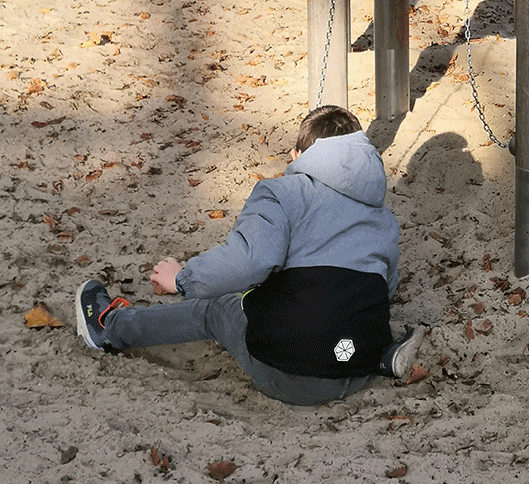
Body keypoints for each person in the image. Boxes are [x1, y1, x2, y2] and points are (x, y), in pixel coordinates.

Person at [75, 105, 424, 406]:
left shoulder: (282, 191)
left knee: (218, 306)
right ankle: (381, 356)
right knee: (347, 305)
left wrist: (182, 278)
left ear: (297, 156)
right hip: (355, 369)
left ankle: (109, 329)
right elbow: (385, 289)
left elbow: (248, 262)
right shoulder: (383, 217)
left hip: (290, 374)